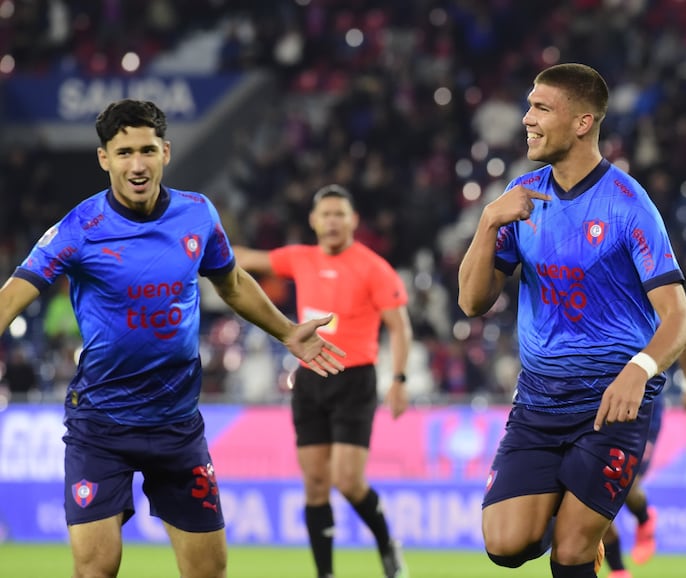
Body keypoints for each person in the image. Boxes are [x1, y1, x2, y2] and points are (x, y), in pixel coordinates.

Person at [0, 99, 345, 578]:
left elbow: (233, 282)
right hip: (101, 425)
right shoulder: (79, 228)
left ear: (165, 151)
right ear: (104, 159)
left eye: (146, 150)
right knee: (95, 569)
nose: (136, 165)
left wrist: (286, 330)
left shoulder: (198, 215)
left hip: (177, 425)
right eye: (123, 153)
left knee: (208, 572)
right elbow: (10, 299)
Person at [457, 63, 686, 578]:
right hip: (538, 401)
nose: (526, 119)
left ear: (583, 122)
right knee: (506, 546)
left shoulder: (629, 205)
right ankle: (573, 507)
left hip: (610, 402)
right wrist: (488, 221)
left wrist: (639, 370)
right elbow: (472, 303)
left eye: (541, 108)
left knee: (570, 553)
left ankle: (583, 535)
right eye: (529, 107)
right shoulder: (520, 198)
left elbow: (679, 317)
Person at [233, 184, 412, 578]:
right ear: (313, 221)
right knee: (315, 483)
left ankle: (386, 544)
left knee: (348, 480)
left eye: (339, 215)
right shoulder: (300, 258)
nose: (332, 222)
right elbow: (245, 259)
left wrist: (398, 378)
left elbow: (399, 327)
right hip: (311, 378)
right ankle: (325, 574)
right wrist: (196, 245)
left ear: (353, 221)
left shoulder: (372, 267)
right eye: (325, 215)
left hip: (355, 379)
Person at [602, 341, 686, 578]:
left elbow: (683, 333)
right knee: (591, 488)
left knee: (624, 483)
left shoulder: (650, 304)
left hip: (644, 401)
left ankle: (644, 518)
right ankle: (618, 570)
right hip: (593, 395)